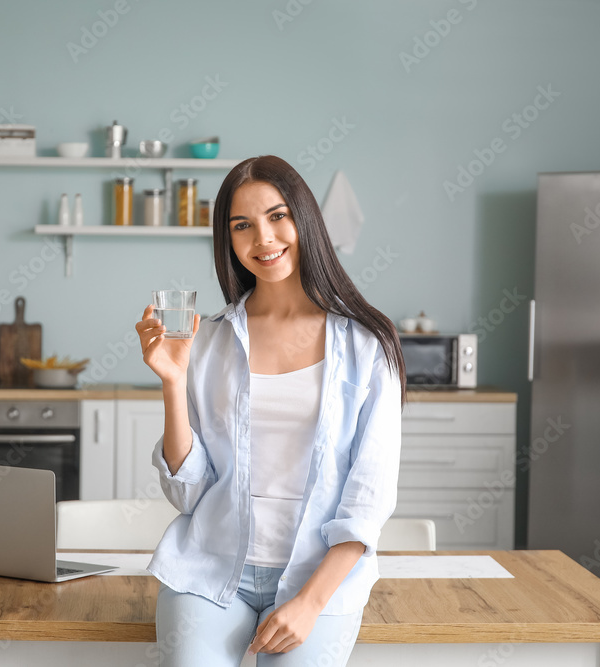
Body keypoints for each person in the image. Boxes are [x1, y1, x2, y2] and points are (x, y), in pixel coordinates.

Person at [134, 155, 404, 666]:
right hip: (212, 571)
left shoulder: (369, 346)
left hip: (316, 578)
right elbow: (188, 492)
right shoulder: (207, 340)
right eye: (242, 225)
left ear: (305, 220)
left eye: (277, 216)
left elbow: (368, 499)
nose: (263, 238)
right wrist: (172, 381)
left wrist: (310, 603)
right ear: (228, 240)